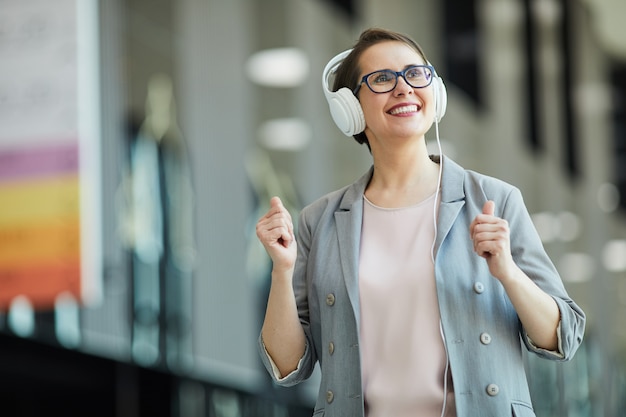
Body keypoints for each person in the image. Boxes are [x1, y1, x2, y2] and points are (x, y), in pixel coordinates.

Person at [255, 27, 586, 417]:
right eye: (381, 79)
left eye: (416, 73)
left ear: (436, 92)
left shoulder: (494, 200)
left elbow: (563, 338)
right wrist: (282, 270)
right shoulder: (320, 221)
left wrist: (508, 273)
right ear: (351, 108)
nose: (404, 88)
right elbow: (289, 367)